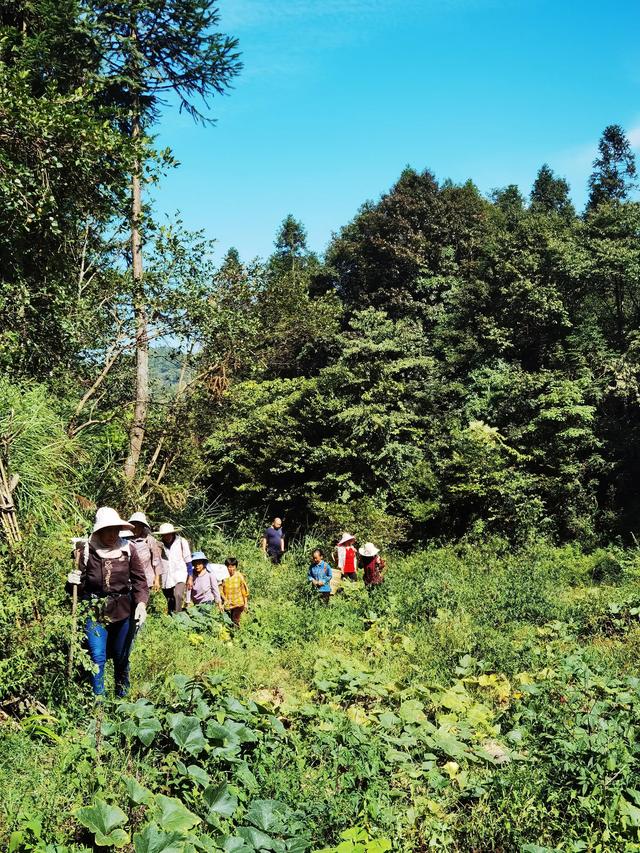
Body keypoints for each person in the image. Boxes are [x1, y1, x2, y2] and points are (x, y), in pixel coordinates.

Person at [67, 506, 148, 698]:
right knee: (97, 656)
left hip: (123, 610)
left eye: (115, 530)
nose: (112, 534)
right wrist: (71, 582)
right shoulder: (86, 551)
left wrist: (141, 604)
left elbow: (139, 581)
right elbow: (76, 589)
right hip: (94, 611)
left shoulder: (128, 550)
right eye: (107, 530)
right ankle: (98, 705)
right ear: (99, 530)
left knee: (122, 657)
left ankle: (122, 700)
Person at [156, 522, 193, 614]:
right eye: (164, 535)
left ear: (172, 533)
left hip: (180, 573)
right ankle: (171, 616)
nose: (166, 537)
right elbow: (156, 562)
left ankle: (178, 615)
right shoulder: (159, 545)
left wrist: (190, 577)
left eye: (168, 534)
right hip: (166, 575)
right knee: (169, 599)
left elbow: (188, 561)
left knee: (178, 594)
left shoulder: (181, 542)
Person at [128, 511, 162, 590]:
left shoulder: (149, 540)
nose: (136, 529)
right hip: (130, 580)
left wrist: (157, 580)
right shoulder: (125, 540)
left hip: (147, 579)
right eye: (134, 525)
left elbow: (156, 561)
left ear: (143, 527)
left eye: (138, 526)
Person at [220, 557, 249, 626]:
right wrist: (224, 600)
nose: (231, 569)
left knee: (235, 621)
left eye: (233, 566)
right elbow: (220, 590)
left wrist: (246, 603)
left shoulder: (239, 576)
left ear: (236, 567)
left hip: (238, 603)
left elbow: (244, 590)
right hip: (228, 604)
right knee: (228, 622)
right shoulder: (223, 577)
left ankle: (237, 634)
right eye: (229, 567)